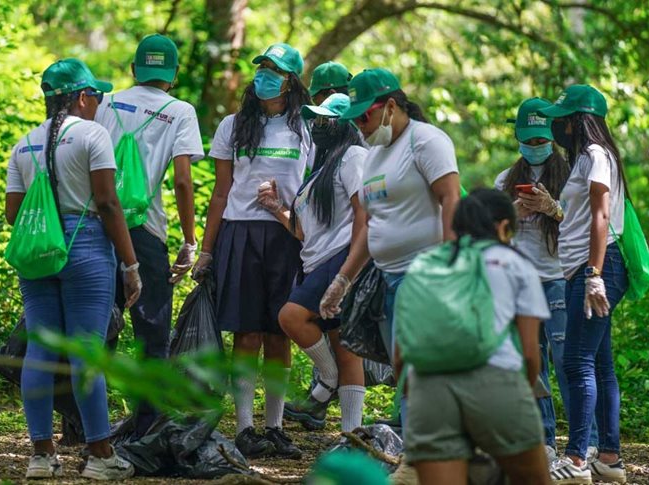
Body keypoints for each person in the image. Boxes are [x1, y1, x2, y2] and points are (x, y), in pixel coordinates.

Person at [5, 58, 139, 480]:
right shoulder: (92, 135)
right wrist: (131, 264)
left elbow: (13, 214)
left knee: (41, 351)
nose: (98, 103)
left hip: (39, 251)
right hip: (85, 249)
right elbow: (107, 203)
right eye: (95, 96)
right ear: (82, 97)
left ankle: (41, 456)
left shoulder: (24, 143)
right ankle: (100, 456)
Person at [191, 43, 312, 459]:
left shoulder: (306, 127)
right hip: (240, 233)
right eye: (261, 67)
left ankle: (275, 427)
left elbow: (316, 189)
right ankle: (245, 427)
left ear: (291, 80)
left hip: (286, 235)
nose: (264, 75)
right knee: (247, 332)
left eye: (274, 69)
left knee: (281, 332)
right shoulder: (234, 125)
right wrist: (206, 251)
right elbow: (220, 191)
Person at [335, 68, 460, 428]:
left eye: (365, 115)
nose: (361, 124)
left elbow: (450, 198)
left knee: (414, 362)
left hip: (423, 271)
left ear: (390, 106)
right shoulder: (372, 155)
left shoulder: (426, 141)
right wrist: (343, 280)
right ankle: (417, 454)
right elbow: (371, 224)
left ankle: (427, 454)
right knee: (404, 369)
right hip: (387, 278)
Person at [400, 188, 552, 485]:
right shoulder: (515, 263)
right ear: (503, 226)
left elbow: (400, 351)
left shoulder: (425, 264)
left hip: (428, 386)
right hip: (497, 381)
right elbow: (532, 356)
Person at [93, 34, 204, 433]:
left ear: (134, 70)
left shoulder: (105, 102)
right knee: (152, 331)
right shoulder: (180, 111)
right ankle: (145, 426)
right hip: (146, 230)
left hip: (99, 224)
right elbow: (183, 182)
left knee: (97, 324)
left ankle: (86, 421)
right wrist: (190, 241)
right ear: (173, 74)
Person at [257, 93, 370, 433]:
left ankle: (329, 379)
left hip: (340, 259)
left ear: (345, 123)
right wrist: (277, 207)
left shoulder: (353, 156)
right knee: (344, 347)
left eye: (326, 119)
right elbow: (304, 231)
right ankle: (352, 435)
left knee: (290, 316)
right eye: (316, 120)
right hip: (316, 259)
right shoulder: (321, 168)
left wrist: (349, 270)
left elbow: (364, 213)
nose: (319, 126)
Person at [539, 85, 629, 485]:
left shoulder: (596, 155)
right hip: (584, 267)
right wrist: (551, 208)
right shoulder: (583, 160)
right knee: (600, 363)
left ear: (577, 121)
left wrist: (594, 276)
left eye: (561, 119)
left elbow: (601, 214)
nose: (557, 127)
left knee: (576, 361)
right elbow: (577, 218)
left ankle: (576, 460)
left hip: (597, 267)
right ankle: (608, 459)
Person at [495, 97, 583, 463]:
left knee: (567, 360)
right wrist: (512, 213)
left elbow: (583, 228)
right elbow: (492, 234)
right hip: (519, 283)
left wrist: (553, 208)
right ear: (517, 138)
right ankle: (544, 440)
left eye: (540, 141)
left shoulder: (572, 176)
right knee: (532, 365)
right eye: (528, 141)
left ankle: (582, 442)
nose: (535, 148)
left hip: (557, 278)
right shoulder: (505, 180)